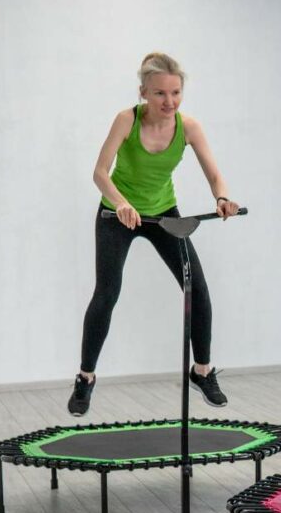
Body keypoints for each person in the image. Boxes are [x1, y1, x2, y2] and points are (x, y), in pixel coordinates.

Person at [68, 52, 240, 416]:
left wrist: (222, 197)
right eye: (160, 93)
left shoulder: (188, 127)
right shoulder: (125, 120)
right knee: (107, 293)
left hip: (163, 213)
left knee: (198, 288)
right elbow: (100, 172)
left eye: (176, 92)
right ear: (144, 92)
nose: (169, 101)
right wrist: (121, 203)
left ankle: (203, 372)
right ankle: (85, 378)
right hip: (117, 214)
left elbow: (214, 175)